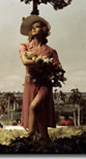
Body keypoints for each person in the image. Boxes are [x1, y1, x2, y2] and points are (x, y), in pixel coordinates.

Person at [19, 15, 62, 143]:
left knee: (34, 107)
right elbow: (25, 61)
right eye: (32, 27)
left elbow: (59, 68)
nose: (34, 29)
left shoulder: (51, 51)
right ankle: (46, 142)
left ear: (43, 30)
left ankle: (29, 137)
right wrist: (43, 63)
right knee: (40, 114)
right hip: (31, 83)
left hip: (45, 83)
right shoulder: (24, 46)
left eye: (37, 27)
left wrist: (51, 66)